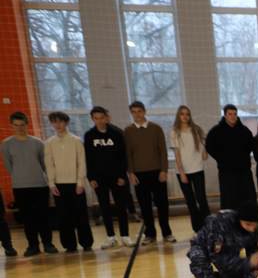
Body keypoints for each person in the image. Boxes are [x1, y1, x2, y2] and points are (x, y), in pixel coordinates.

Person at [187, 202, 258, 278]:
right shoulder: (220, 223)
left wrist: (253, 269)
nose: (252, 229)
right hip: (204, 246)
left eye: (254, 225)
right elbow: (218, 257)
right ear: (239, 220)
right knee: (199, 264)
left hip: (229, 251)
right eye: (248, 224)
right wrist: (240, 266)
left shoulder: (253, 228)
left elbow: (252, 249)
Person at [1, 112, 56, 256]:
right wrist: (20, 176)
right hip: (20, 187)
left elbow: (44, 164)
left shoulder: (38, 143)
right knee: (27, 219)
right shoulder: (6, 144)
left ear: (27, 124)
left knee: (43, 217)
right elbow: (9, 166)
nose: (19, 128)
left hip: (40, 185)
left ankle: (48, 244)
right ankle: (32, 246)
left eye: (22, 125)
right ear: (11, 126)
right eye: (16, 125)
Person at [124, 101, 175, 245]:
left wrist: (164, 170)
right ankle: (150, 234)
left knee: (162, 204)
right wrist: (131, 173)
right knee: (145, 206)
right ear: (131, 113)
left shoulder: (156, 128)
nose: (137, 114)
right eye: (134, 112)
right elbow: (128, 154)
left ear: (144, 111)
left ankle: (167, 232)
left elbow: (162, 151)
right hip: (139, 174)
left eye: (139, 111)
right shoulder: (128, 131)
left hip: (157, 172)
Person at [45, 111, 93, 252]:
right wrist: (51, 184)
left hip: (76, 184)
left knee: (81, 215)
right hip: (58, 185)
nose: (57, 124)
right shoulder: (49, 143)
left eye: (60, 121)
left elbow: (82, 162)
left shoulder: (76, 140)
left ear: (66, 122)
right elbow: (49, 164)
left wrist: (80, 182)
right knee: (63, 216)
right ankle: (69, 245)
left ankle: (86, 242)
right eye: (54, 122)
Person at [84, 106, 131, 248]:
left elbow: (123, 156)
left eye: (101, 118)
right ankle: (110, 237)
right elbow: (88, 158)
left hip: (117, 177)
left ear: (106, 118)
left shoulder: (117, 133)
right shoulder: (89, 135)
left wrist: (122, 175)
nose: (99, 121)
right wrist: (91, 178)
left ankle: (125, 236)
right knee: (104, 208)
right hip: (99, 179)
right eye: (96, 118)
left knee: (121, 207)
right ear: (92, 119)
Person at [206, 104, 257, 210]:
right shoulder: (216, 131)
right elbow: (209, 147)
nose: (233, 116)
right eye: (230, 114)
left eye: (235, 114)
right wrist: (221, 158)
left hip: (244, 171)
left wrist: (242, 157)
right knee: (229, 200)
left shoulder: (244, 130)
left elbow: (251, 146)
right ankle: (229, 219)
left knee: (247, 198)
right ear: (225, 115)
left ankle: (246, 219)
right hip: (227, 172)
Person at [171, 105, 211, 232]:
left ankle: (209, 227)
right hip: (183, 172)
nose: (185, 116)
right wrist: (182, 173)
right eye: (182, 114)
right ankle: (197, 229)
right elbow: (177, 155)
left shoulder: (196, 130)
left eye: (187, 114)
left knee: (202, 200)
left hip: (197, 169)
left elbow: (204, 156)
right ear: (178, 116)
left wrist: (205, 148)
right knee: (191, 202)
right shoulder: (174, 132)